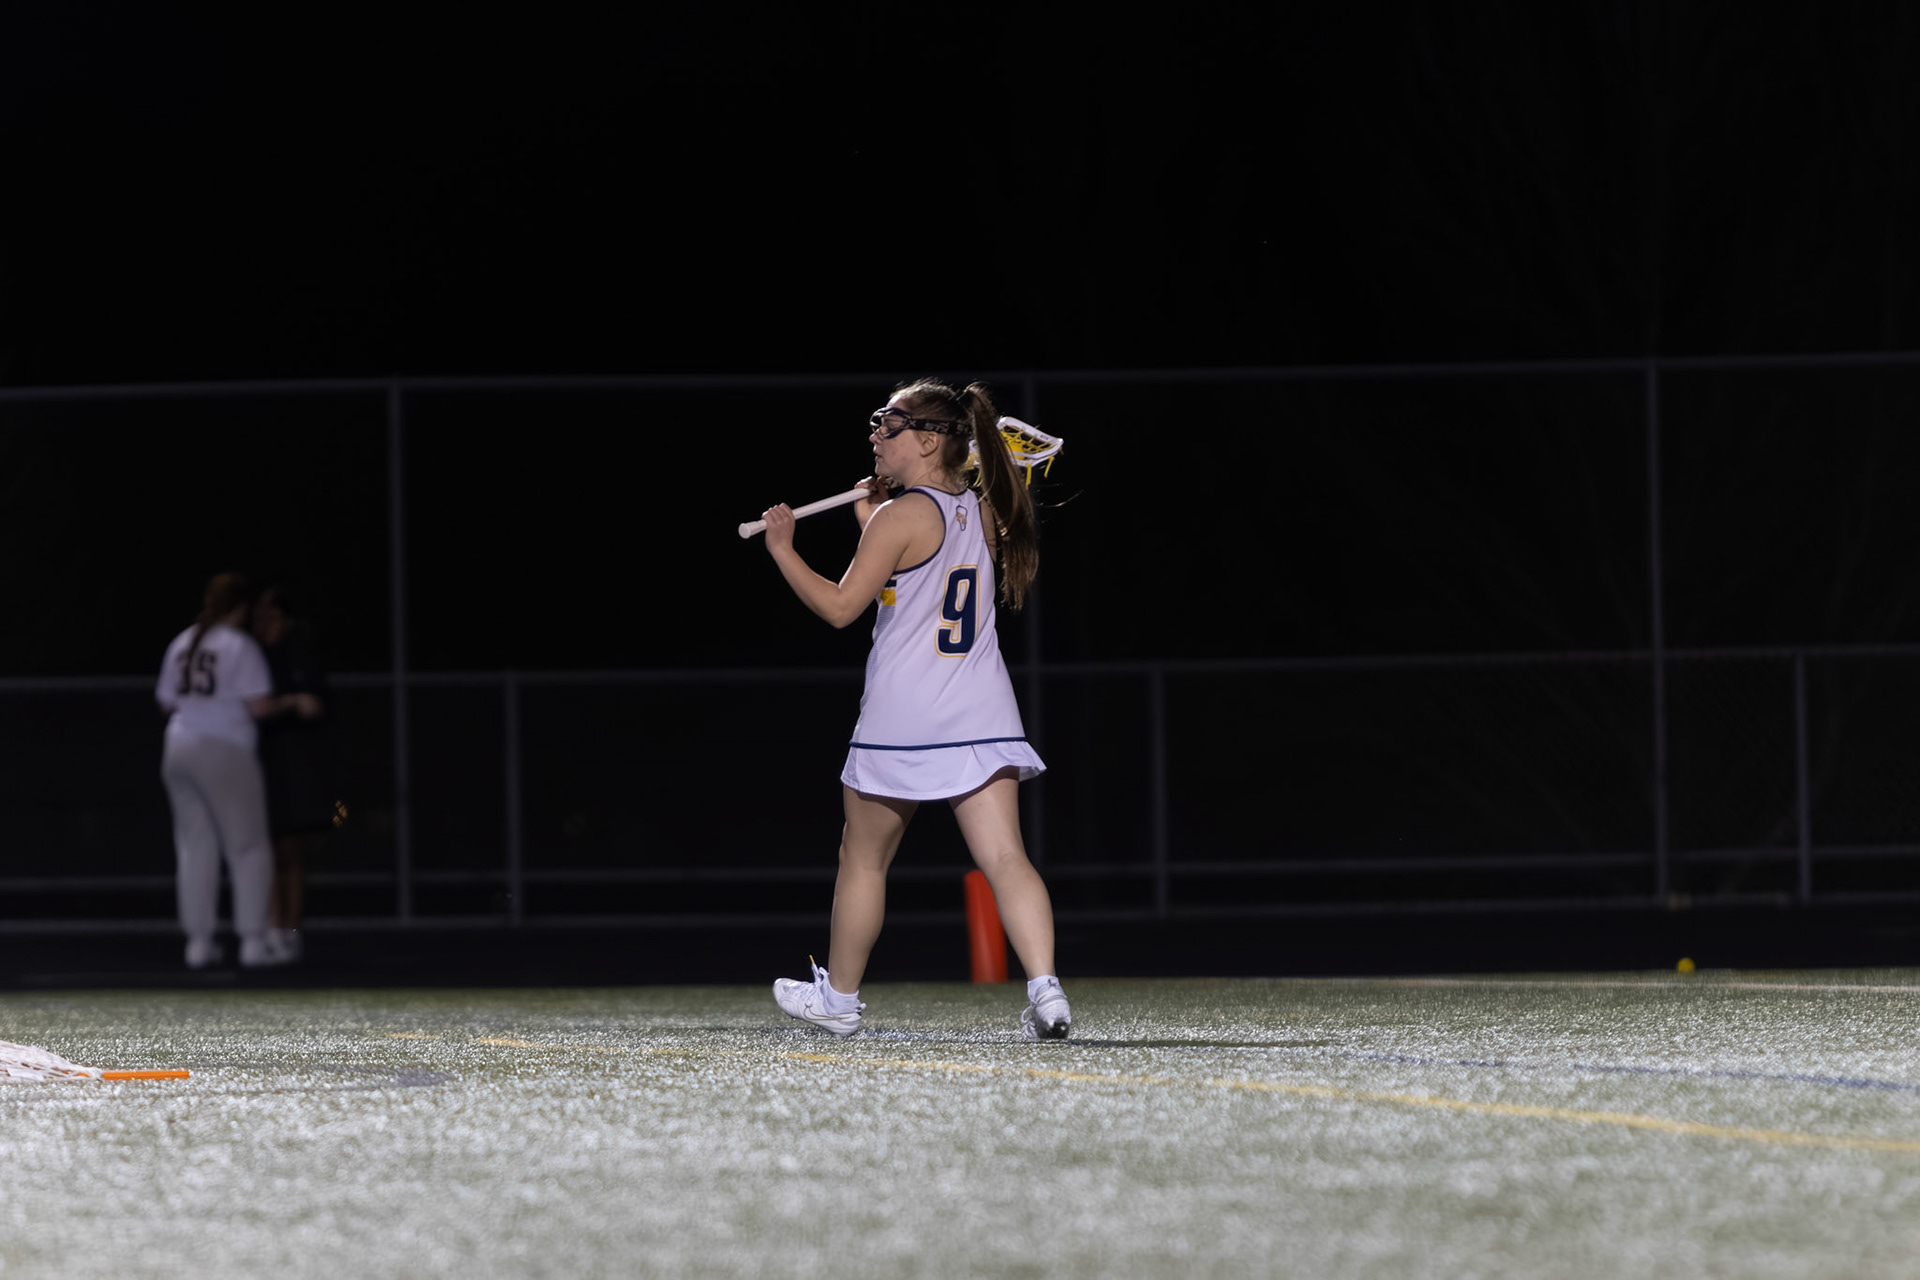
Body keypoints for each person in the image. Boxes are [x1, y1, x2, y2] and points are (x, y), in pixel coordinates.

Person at [761, 378, 1071, 1040]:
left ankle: (839, 1001)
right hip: (981, 710)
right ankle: (1047, 992)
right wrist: (870, 523)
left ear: (929, 441)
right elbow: (915, 584)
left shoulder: (899, 518)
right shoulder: (982, 512)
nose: (876, 435)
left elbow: (841, 608)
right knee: (1006, 857)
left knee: (863, 860)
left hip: (904, 717)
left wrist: (784, 550)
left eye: (889, 424)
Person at [154, 573, 312, 969]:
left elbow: (165, 703)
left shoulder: (183, 641)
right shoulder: (238, 645)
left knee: (195, 849)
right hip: (223, 748)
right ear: (241, 608)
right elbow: (258, 707)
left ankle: (199, 944)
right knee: (249, 847)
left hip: (178, 748)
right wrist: (292, 701)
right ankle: (253, 943)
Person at [251, 585, 337, 962]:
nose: (266, 624)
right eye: (260, 617)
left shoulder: (300, 653)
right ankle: (272, 929)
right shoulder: (252, 656)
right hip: (260, 762)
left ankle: (293, 930)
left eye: (272, 616)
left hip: (296, 765)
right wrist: (285, 704)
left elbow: (315, 705)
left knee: (292, 851)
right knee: (266, 850)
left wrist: (289, 704)